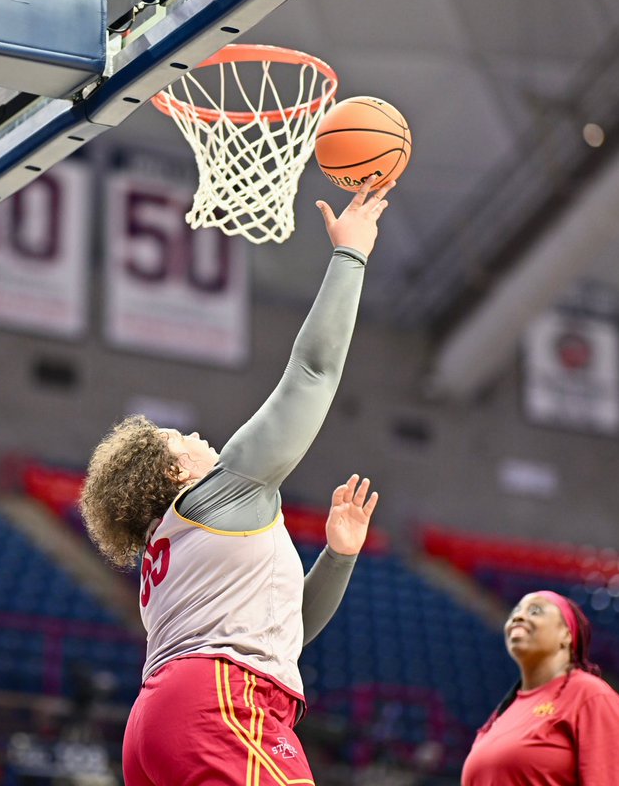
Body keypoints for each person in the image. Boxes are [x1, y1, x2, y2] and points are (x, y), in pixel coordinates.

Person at [79, 176, 395, 785]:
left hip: (159, 722)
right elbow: (311, 372)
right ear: (171, 473)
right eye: (182, 441)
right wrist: (350, 253)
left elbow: (287, 631)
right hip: (215, 703)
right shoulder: (221, 493)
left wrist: (338, 556)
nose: (200, 440)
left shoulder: (171, 551)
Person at [461, 590, 619, 785]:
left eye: (535, 611)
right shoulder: (500, 716)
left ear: (566, 634)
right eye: (515, 613)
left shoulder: (591, 697)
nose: (518, 616)